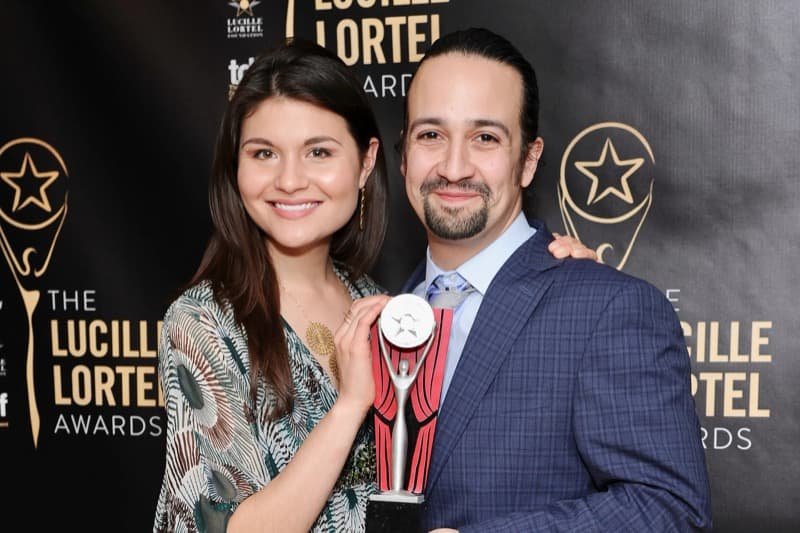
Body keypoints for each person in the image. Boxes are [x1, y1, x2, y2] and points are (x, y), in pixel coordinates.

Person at [152, 37, 594, 533]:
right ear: (236, 169)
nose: (290, 180)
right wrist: (350, 404)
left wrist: (551, 269)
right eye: (264, 153)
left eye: (318, 151)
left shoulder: (386, 302)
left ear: (365, 164)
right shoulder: (203, 323)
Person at [389, 28, 713, 532]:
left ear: (529, 160)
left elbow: (669, 511)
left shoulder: (607, 308)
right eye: (431, 134)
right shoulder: (380, 313)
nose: (454, 167)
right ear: (404, 153)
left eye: (486, 138)